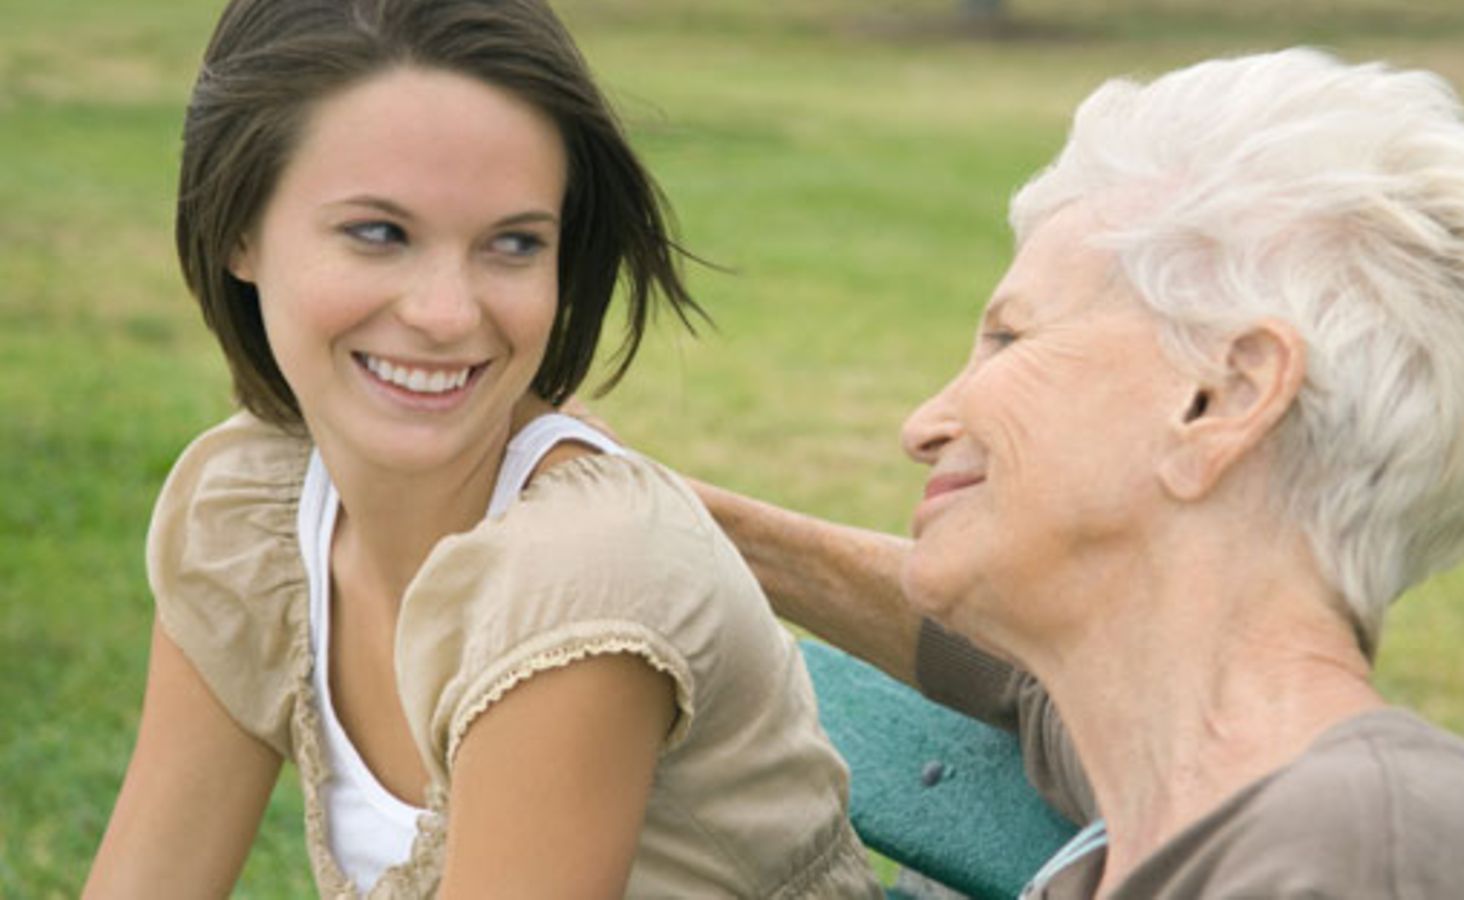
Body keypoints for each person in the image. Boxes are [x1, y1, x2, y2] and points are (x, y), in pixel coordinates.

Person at [694, 49, 1464, 897]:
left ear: (1223, 396)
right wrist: (672, 508)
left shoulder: (1365, 849)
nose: (922, 424)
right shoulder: (1177, 770)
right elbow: (1013, 677)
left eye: (1010, 337)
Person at [84, 1, 880, 896]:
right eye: (379, 233)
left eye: (512, 244)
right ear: (238, 228)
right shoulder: (250, 518)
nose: (448, 313)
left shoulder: (581, 583)